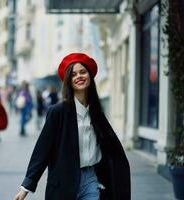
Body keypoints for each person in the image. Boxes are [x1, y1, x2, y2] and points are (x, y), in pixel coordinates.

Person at [14, 53, 130, 200]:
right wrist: (26, 187)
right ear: (69, 80)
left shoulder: (96, 112)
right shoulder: (58, 112)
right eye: (74, 74)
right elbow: (42, 150)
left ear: (89, 76)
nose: (79, 77)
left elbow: (110, 147)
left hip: (91, 179)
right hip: (64, 180)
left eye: (83, 72)